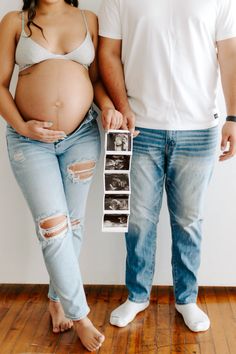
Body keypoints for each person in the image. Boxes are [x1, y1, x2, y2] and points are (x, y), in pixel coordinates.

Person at [98, 0, 236, 332]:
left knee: (189, 221)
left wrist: (233, 115)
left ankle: (187, 299)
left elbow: (230, 54)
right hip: (138, 128)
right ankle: (137, 295)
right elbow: (108, 54)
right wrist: (122, 105)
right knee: (138, 221)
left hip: (199, 129)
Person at [0, 0, 123, 351]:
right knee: (53, 227)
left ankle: (57, 299)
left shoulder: (90, 19)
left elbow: (97, 80)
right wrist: (22, 124)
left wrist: (110, 107)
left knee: (73, 224)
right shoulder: (15, 21)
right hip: (29, 141)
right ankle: (80, 315)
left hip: (82, 136)